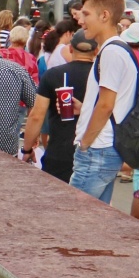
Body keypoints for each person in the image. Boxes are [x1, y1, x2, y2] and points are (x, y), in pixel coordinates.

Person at [71, 0, 138, 204]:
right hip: (105, 148)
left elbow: (106, 105)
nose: (81, 20)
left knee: (71, 221)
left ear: (105, 15)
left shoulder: (111, 52)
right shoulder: (120, 49)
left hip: (97, 150)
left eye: (86, 14)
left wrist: (85, 143)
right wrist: (85, 109)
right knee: (94, 225)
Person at [22, 30, 98, 183]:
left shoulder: (53, 75)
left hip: (59, 151)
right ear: (96, 51)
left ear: (70, 48)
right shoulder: (103, 77)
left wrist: (27, 148)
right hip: (95, 151)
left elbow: (37, 115)